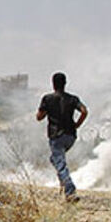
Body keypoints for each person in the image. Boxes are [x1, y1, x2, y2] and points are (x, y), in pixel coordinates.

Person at [36, 72, 88, 202]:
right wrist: (77, 125)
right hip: (70, 136)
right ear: (65, 83)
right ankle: (63, 184)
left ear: (53, 84)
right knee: (55, 159)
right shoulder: (73, 99)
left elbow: (39, 117)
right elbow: (84, 111)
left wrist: (46, 111)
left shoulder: (47, 99)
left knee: (60, 163)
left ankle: (70, 191)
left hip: (56, 135)